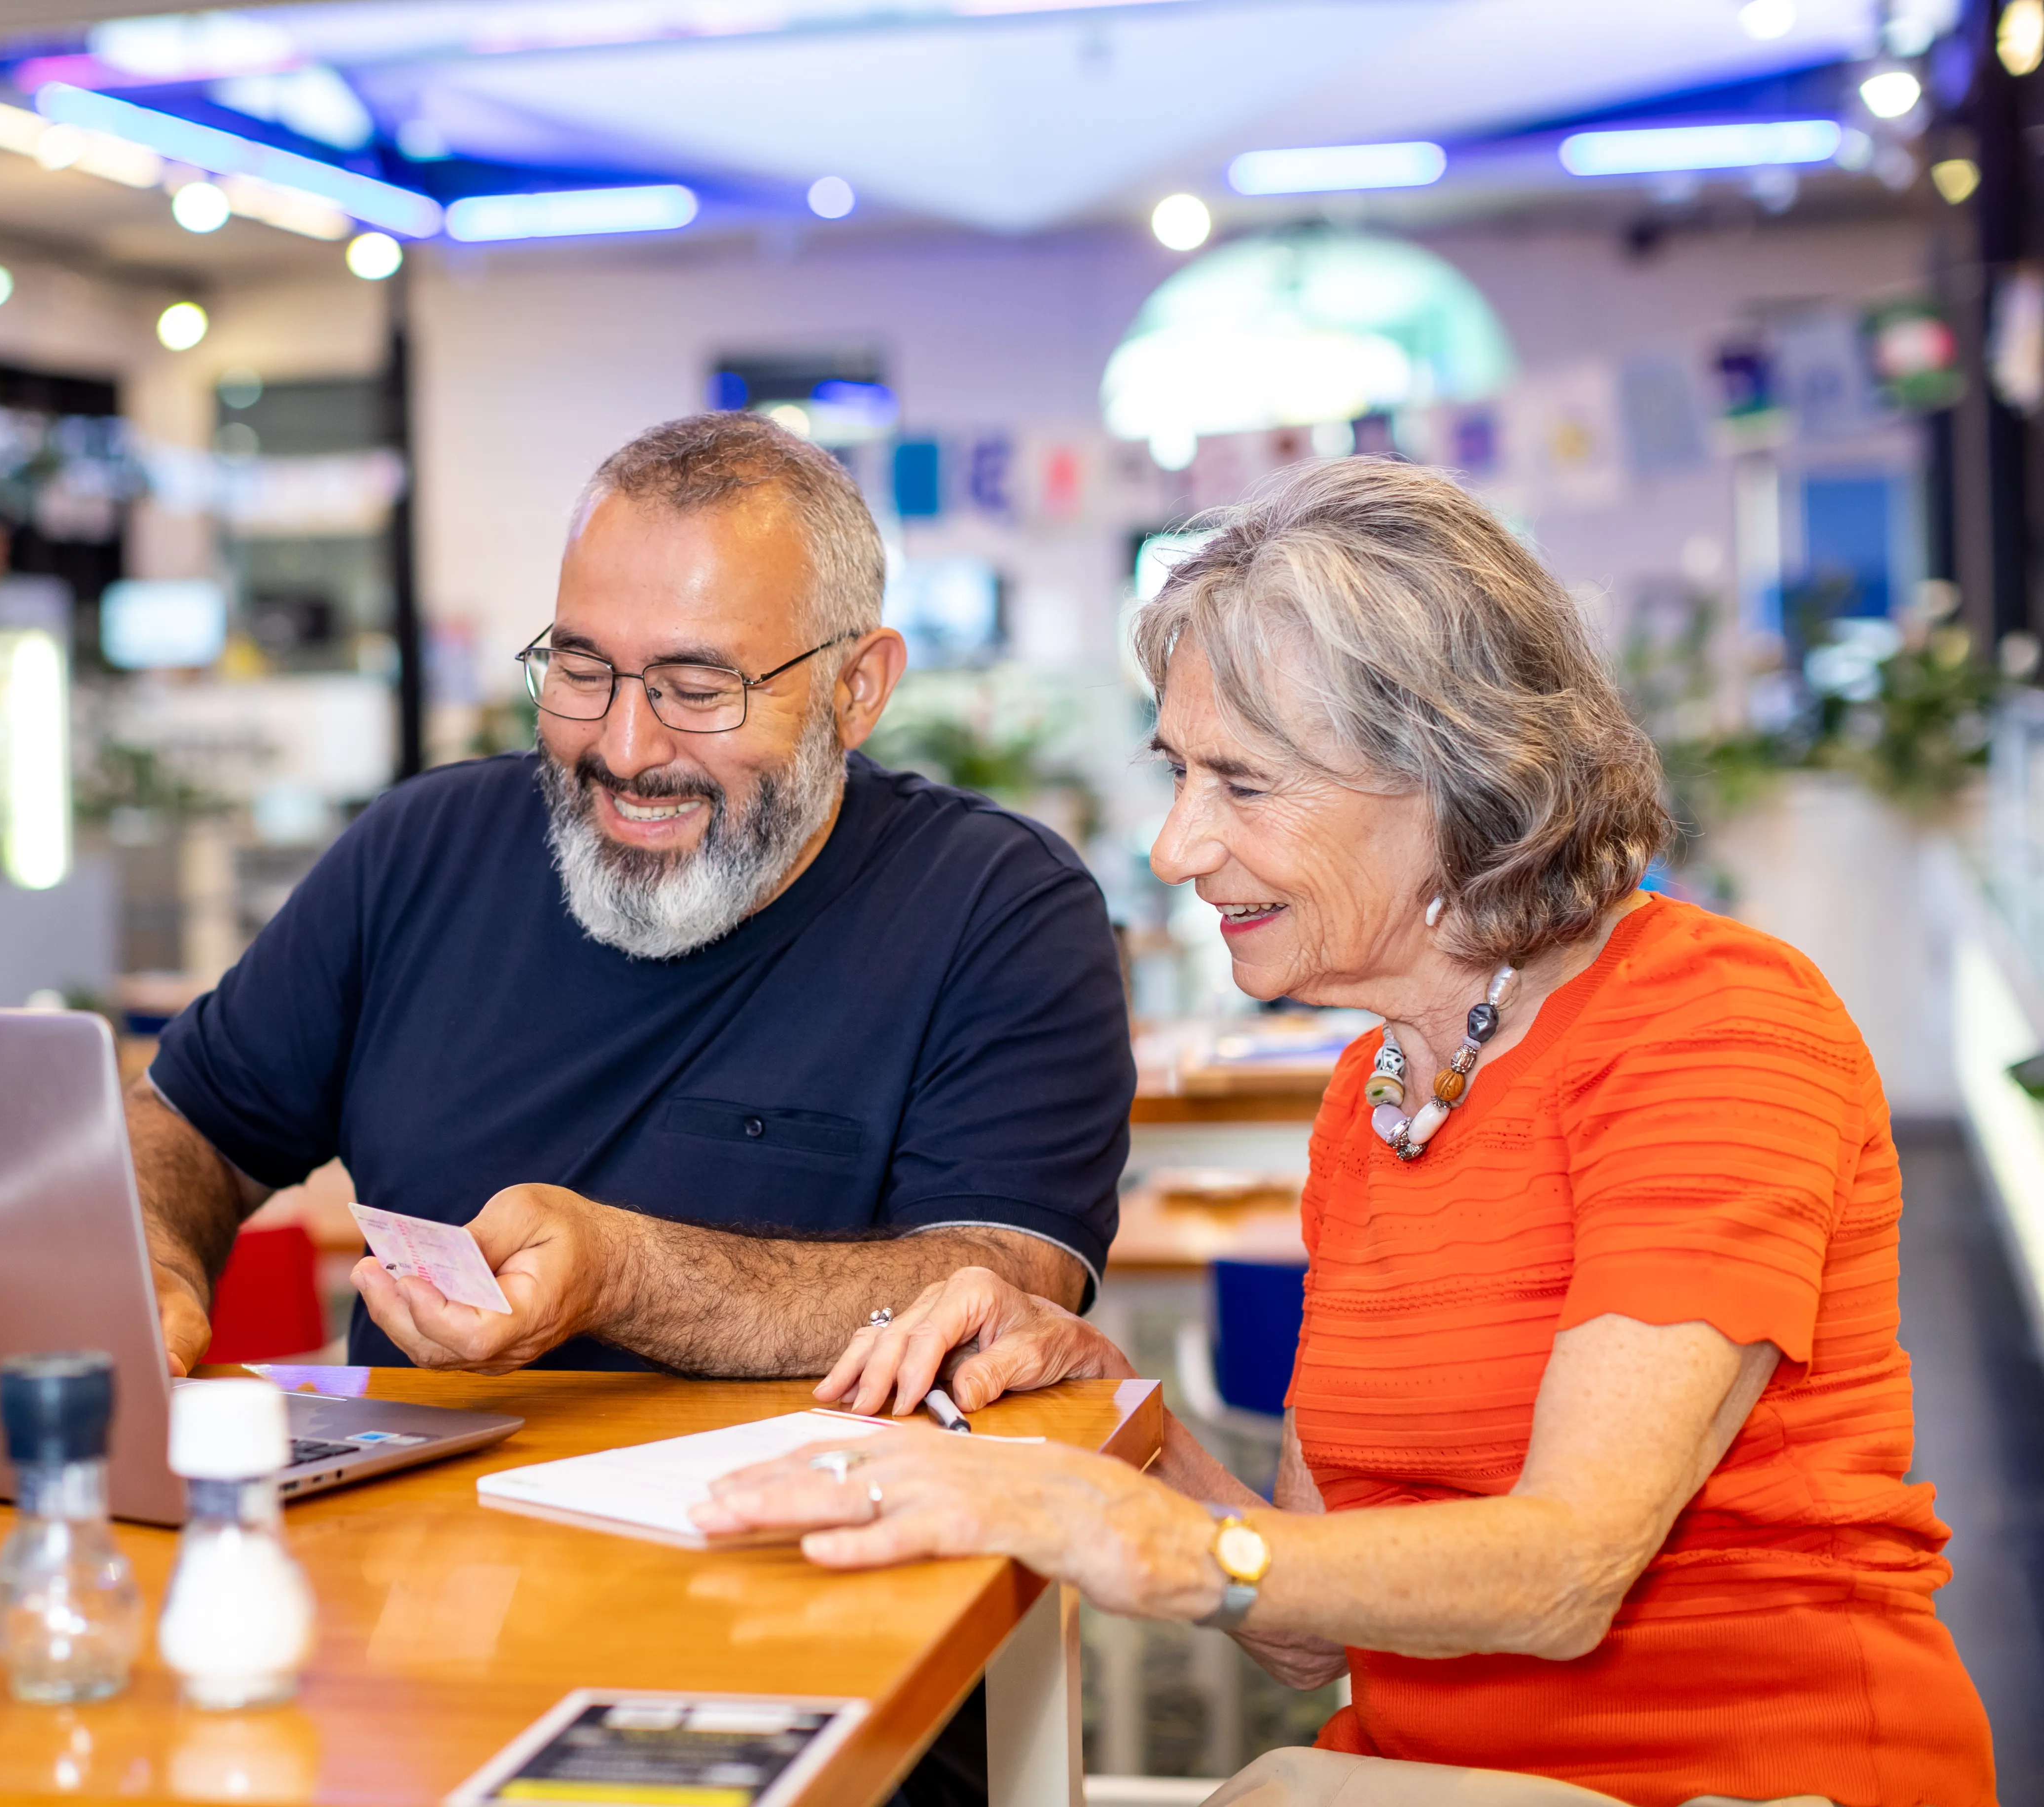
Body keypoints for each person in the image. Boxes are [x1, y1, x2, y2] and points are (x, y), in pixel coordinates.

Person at [691, 459, 1997, 1807]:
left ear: (1457, 777)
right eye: (1181, 775)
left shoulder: (1714, 1023)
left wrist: (1115, 1529)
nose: (1181, 848)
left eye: (1244, 786)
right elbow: (1303, 1623)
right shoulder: (1377, 1097)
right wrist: (1100, 1403)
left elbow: (1567, 1573)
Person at [126, 410, 1134, 1382]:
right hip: (416, 1542)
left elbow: (1002, 1286)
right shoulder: (419, 850)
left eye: (697, 689)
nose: (623, 749)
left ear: (856, 690)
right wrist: (156, 1258)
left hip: (824, 1541)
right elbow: (191, 1127)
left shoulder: (996, 908)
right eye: (580, 667)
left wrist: (623, 1277)